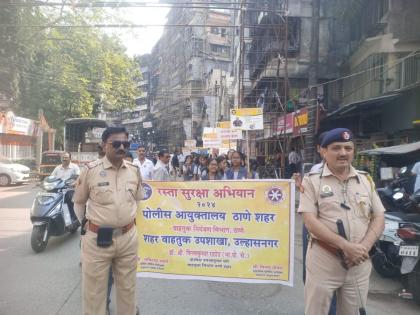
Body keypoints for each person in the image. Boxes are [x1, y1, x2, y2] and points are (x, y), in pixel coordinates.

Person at [298, 128, 385, 315]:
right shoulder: (312, 181)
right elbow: (310, 221)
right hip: (324, 261)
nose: (343, 153)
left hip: (358, 263)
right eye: (336, 148)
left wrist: (362, 247)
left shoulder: (365, 180)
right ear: (323, 151)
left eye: (348, 148)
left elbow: (379, 216)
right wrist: (346, 246)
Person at [73, 126, 143, 315]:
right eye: (116, 143)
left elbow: (137, 201)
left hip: (128, 239)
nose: (122, 147)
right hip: (97, 240)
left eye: (125, 144)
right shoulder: (90, 171)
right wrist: (88, 227)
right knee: (94, 292)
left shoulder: (135, 171)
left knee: (128, 289)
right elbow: (79, 203)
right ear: (104, 146)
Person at [51, 152, 80, 221]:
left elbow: (78, 177)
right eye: (63, 157)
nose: (64, 159)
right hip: (58, 190)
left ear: (70, 158)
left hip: (70, 189)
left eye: (66, 157)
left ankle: (72, 217)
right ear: (61, 159)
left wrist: (74, 183)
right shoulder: (57, 168)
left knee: (69, 199)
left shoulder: (74, 167)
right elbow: (51, 177)